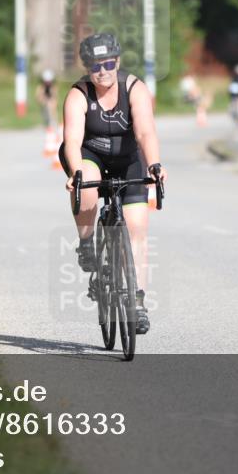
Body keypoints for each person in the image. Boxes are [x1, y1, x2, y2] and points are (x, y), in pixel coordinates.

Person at [60, 33, 167, 334]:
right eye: (95, 66)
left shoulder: (135, 89)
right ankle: (86, 242)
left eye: (108, 64)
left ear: (117, 62)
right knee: (87, 184)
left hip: (129, 158)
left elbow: (145, 132)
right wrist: (76, 172)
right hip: (90, 155)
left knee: (137, 228)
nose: (103, 71)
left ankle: (138, 302)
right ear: (87, 68)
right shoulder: (78, 94)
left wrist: (155, 164)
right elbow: (72, 140)